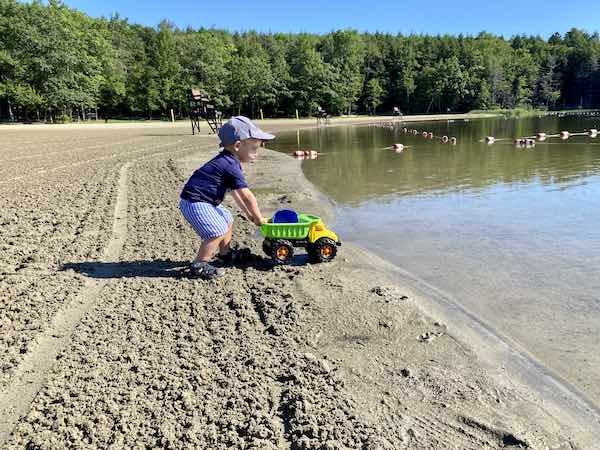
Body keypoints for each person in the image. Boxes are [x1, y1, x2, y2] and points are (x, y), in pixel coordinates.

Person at [179, 116, 275, 279]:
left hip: (202, 201)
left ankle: (225, 253)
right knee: (217, 230)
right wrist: (258, 218)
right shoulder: (229, 165)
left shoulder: (229, 161)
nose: (256, 154)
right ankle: (199, 264)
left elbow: (235, 192)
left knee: (227, 217)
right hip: (195, 202)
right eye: (254, 149)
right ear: (238, 145)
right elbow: (246, 195)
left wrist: (249, 215)